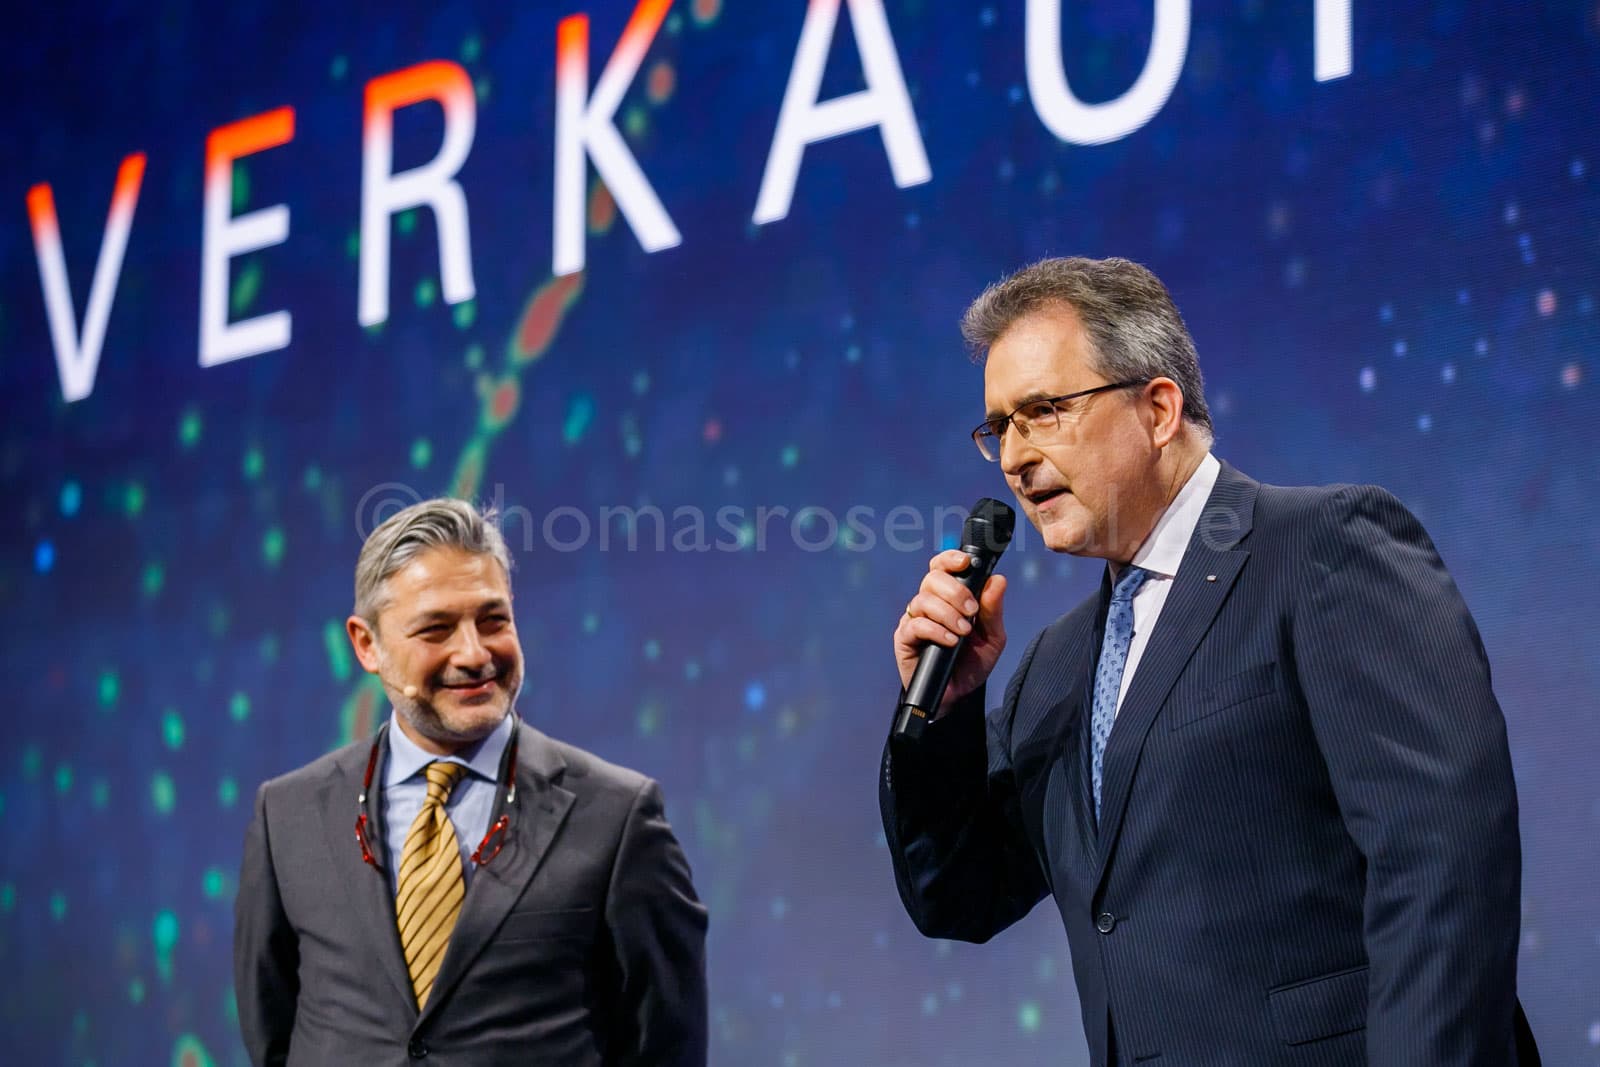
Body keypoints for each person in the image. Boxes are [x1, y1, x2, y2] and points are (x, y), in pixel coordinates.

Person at [879, 257, 1539, 1066]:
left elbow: (1442, 860)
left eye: (1045, 411)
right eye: (1000, 427)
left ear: (1158, 409)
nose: (1015, 455)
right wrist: (945, 712)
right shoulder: (1052, 668)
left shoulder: (1321, 550)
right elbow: (959, 894)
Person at [234, 498, 707, 1065]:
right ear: (366, 645)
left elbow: (666, 1043)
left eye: (493, 620)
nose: (474, 653)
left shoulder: (617, 817)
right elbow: (272, 1033)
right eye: (436, 629)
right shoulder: (288, 815)